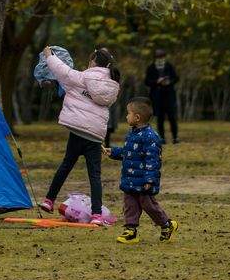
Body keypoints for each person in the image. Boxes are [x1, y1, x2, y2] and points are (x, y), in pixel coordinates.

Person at [38, 46, 120, 225]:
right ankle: (97, 215)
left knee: (65, 166)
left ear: (92, 61)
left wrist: (49, 55)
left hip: (77, 132)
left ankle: (49, 200)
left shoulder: (82, 77)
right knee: (95, 176)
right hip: (95, 136)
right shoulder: (112, 85)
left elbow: (63, 71)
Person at [104, 96, 178, 244]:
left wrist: (150, 180)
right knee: (130, 205)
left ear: (137, 117)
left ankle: (166, 224)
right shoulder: (132, 133)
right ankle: (130, 231)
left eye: (128, 113)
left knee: (149, 205)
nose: (126, 116)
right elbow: (128, 152)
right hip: (130, 179)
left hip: (144, 181)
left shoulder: (151, 137)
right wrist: (113, 152)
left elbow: (153, 160)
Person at [144, 48, 180, 144]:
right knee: (160, 118)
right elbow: (147, 81)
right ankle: (162, 138)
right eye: (158, 57)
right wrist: (156, 82)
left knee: (172, 117)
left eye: (162, 57)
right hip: (157, 97)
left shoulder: (169, 66)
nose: (160, 59)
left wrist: (169, 82)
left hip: (169, 96)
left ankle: (175, 137)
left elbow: (176, 78)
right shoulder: (151, 67)